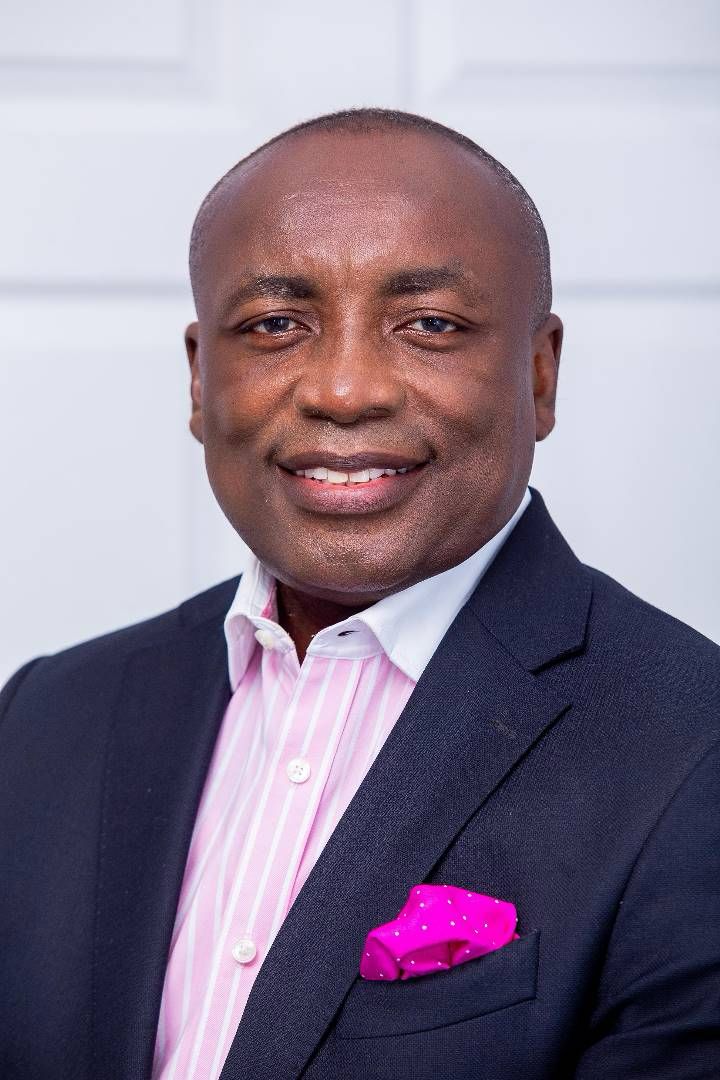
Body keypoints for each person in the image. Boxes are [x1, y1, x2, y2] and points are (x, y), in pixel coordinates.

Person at [0, 108, 718, 1080]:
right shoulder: (45, 717)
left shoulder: (693, 749)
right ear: (201, 380)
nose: (344, 390)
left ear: (540, 375)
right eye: (276, 325)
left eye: (430, 325)